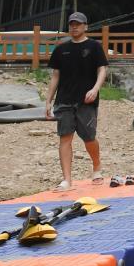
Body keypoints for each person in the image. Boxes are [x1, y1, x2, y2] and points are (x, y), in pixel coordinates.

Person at [45, 12, 108, 191]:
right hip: (64, 100)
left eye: (78, 24)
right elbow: (55, 77)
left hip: (87, 100)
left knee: (89, 138)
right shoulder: (60, 49)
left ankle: (96, 165)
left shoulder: (94, 47)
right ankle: (67, 179)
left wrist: (95, 89)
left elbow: (102, 70)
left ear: (85, 26)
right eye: (72, 24)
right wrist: (48, 101)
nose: (74, 27)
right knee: (65, 138)